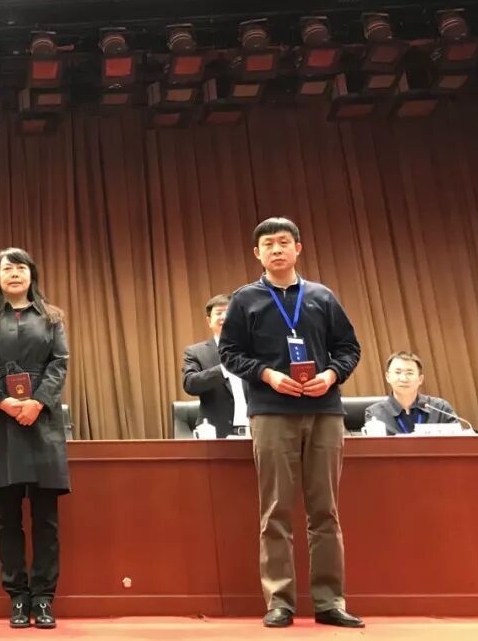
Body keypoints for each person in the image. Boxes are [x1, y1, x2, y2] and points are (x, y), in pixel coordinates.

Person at [218, 217, 364, 629]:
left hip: (324, 411)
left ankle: (329, 601)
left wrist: (331, 375)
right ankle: (279, 601)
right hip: (271, 412)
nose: (277, 249)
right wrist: (267, 375)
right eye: (268, 244)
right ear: (257, 253)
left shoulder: (322, 296)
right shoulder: (245, 299)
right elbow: (229, 353)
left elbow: (349, 348)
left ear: (298, 248)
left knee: (325, 511)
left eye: (284, 242)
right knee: (276, 510)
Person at [0, 248, 69, 630]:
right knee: (7, 518)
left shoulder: (52, 317)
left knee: (46, 520)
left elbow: (59, 363)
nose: (14, 273)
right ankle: (18, 598)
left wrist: (37, 402)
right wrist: (2, 401)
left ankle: (43, 598)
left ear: (31, 274)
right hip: (0, 422)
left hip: (42, 421)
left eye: (21, 267)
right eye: (7, 268)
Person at [182, 294, 248, 438]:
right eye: (218, 313)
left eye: (229, 312)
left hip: (256, 431)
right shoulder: (196, 352)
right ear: (209, 321)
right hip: (216, 433)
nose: (224, 316)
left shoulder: (253, 349)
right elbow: (190, 384)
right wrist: (224, 369)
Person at [365, 351, 460, 434]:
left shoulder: (440, 408)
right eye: (398, 372)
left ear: (420, 379)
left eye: (409, 373)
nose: (403, 379)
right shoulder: (375, 413)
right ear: (388, 377)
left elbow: (458, 442)